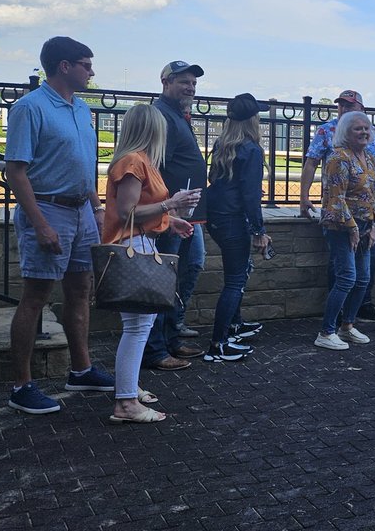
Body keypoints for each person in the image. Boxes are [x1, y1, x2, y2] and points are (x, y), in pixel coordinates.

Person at [4, 36, 116, 414]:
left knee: (80, 290)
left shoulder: (81, 108)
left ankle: (81, 370)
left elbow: (83, 163)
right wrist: (39, 225)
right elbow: (16, 172)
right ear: (64, 66)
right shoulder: (30, 108)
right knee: (36, 296)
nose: (92, 71)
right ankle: (21, 386)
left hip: (81, 211)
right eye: (86, 64)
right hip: (48, 210)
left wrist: (97, 208)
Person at [102, 104, 200, 422]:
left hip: (137, 242)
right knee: (138, 326)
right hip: (133, 246)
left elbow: (138, 210)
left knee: (137, 326)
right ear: (152, 129)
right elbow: (127, 213)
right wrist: (172, 204)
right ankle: (126, 403)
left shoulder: (139, 160)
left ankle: (127, 388)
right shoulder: (134, 161)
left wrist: (170, 220)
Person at [300, 90, 375, 321]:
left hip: (367, 216)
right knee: (342, 269)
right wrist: (304, 196)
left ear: (361, 108)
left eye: (350, 106)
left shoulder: (373, 135)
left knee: (365, 268)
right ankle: (336, 317)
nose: (344, 109)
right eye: (341, 105)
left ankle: (359, 309)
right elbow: (311, 163)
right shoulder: (328, 133)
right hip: (342, 217)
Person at [145, 60, 212, 370]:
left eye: (193, 83)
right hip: (172, 214)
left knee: (190, 266)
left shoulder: (178, 115)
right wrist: (168, 209)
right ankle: (156, 349)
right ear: (165, 82)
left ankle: (172, 336)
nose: (190, 87)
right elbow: (156, 166)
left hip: (188, 212)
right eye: (184, 82)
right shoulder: (160, 115)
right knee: (164, 278)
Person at [204, 93, 272, 362]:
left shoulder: (223, 143)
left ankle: (233, 327)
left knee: (236, 276)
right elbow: (250, 196)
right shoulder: (252, 149)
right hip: (234, 219)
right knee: (235, 281)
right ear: (251, 119)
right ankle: (218, 345)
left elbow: (215, 180)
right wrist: (259, 231)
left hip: (217, 217)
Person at [315, 111, 375, 349]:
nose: (364, 132)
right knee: (346, 278)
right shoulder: (338, 158)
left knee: (363, 279)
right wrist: (353, 228)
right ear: (346, 132)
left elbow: (373, 195)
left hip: (364, 227)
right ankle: (326, 331)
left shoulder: (368, 157)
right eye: (358, 129)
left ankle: (348, 326)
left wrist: (374, 225)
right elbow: (336, 198)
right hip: (341, 227)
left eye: (367, 128)